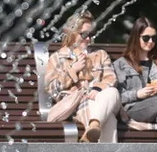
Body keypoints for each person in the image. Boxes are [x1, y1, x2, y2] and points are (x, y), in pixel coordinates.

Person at [44, 11, 121, 142]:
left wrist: (97, 90)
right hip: (77, 104)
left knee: (112, 91)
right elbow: (52, 89)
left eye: (91, 35)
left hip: (104, 99)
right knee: (110, 120)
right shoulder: (57, 58)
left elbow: (111, 78)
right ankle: (95, 131)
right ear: (72, 32)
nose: (88, 39)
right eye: (84, 34)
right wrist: (71, 71)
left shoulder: (100, 54)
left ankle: (93, 126)